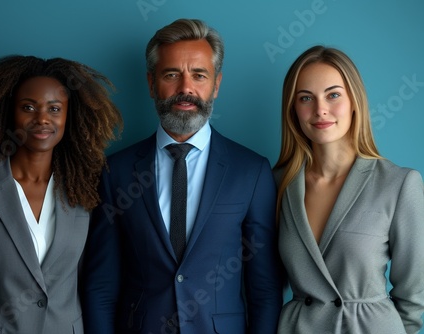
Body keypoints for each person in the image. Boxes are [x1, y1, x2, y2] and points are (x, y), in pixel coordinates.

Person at [82, 18, 283, 334]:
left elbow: (265, 289)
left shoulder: (251, 171)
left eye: (199, 75)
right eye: (171, 74)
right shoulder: (115, 172)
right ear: (151, 83)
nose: (185, 88)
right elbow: (101, 286)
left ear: (216, 84)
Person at [0, 55, 123, 334]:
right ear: (9, 111)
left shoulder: (87, 189)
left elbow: (92, 280)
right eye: (28, 107)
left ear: (68, 116)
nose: (42, 119)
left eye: (54, 108)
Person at [274, 45, 424, 333]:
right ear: (293, 108)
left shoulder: (399, 184)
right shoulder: (276, 184)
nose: (320, 110)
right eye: (306, 97)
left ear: (354, 100)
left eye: (333, 95)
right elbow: (263, 282)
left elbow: (413, 298)